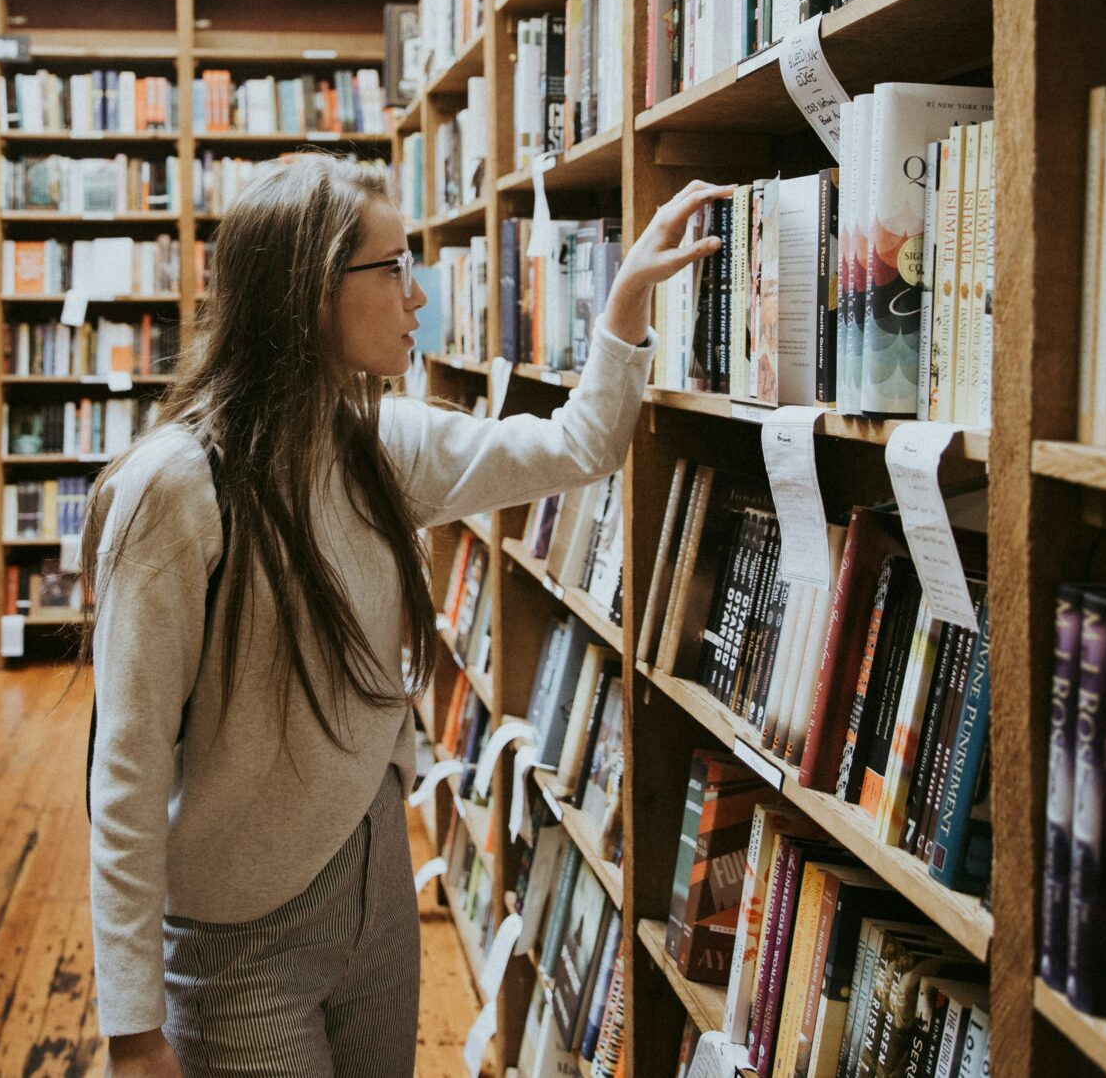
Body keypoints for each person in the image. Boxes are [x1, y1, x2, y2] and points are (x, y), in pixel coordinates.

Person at [83, 154, 725, 1077]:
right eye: (393, 267)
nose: (418, 294)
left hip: (377, 888)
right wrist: (133, 1028)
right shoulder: (176, 490)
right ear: (311, 293)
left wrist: (622, 308)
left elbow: (579, 444)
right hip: (238, 937)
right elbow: (129, 765)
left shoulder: (383, 443)